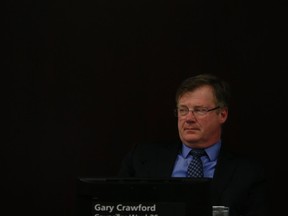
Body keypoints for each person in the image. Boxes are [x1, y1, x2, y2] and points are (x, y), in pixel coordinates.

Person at [118, 73, 267, 216]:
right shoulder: (141, 158)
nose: (188, 118)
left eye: (200, 110)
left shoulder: (248, 173)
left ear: (222, 114)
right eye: (183, 110)